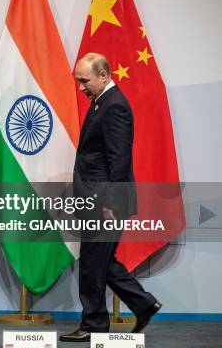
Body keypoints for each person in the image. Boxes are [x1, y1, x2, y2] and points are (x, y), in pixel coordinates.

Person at [60, 53, 161, 342]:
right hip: (96, 198)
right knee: (100, 262)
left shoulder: (114, 106)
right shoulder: (101, 102)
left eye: (84, 80)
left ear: (103, 75)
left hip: (105, 202)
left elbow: (119, 159)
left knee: (94, 264)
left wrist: (112, 203)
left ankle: (93, 326)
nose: (80, 87)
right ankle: (143, 304)